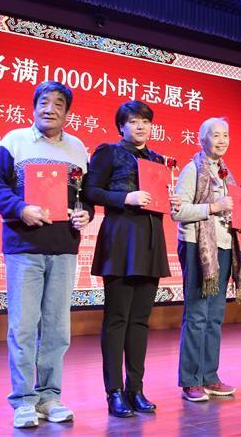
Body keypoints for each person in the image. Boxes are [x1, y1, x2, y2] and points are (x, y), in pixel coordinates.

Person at [0, 81, 92, 428]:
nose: (50, 108)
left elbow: (85, 195)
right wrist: (21, 208)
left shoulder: (78, 149)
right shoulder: (14, 141)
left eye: (58, 104)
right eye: (44, 102)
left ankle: (50, 397)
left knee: (58, 328)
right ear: (34, 107)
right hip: (24, 247)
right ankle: (23, 401)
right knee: (24, 327)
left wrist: (85, 212)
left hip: (63, 247)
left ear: (67, 112)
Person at [84, 100, 180, 418]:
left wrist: (172, 199)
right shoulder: (108, 151)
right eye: (134, 121)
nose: (140, 126)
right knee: (117, 320)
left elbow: (161, 199)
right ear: (121, 126)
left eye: (145, 121)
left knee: (140, 321)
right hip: (121, 240)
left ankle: (135, 388)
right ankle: (113, 392)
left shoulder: (156, 159)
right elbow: (91, 191)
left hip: (150, 241)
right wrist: (125, 197)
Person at [172, 117, 241, 402]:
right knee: (197, 316)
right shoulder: (193, 170)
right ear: (202, 139)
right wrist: (214, 207)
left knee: (214, 317)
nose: (222, 140)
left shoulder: (226, 173)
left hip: (224, 247)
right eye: (216, 135)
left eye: (225, 135)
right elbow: (178, 211)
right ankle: (191, 380)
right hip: (197, 248)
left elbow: (234, 207)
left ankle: (210, 376)